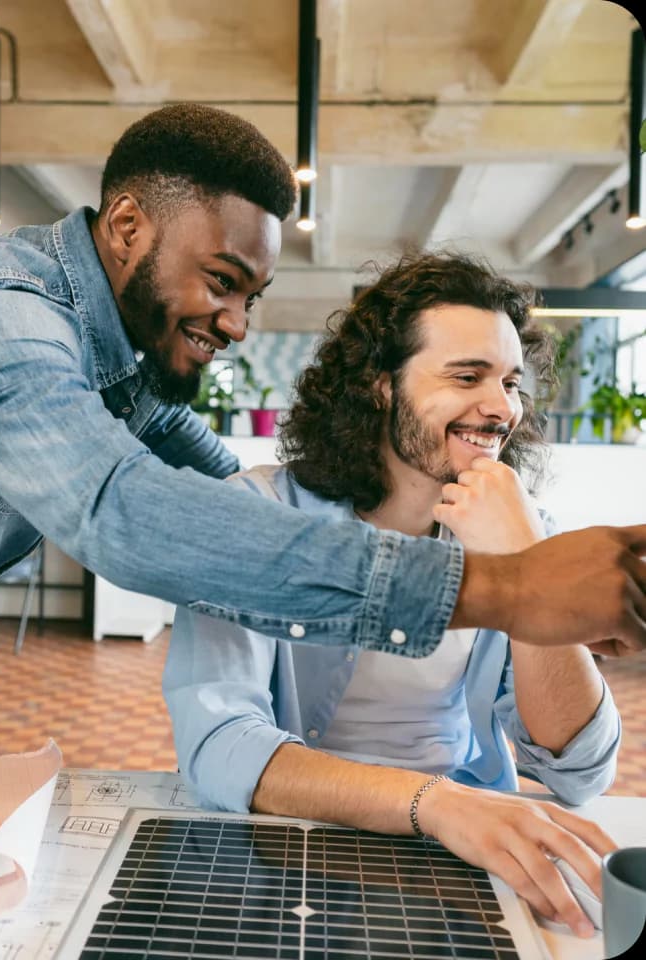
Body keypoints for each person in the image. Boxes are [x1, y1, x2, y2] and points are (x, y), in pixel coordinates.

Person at [0, 104, 644, 760]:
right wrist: (511, 590)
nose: (236, 325)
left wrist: (319, 499)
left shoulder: (112, 353)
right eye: (222, 282)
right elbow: (122, 514)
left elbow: (222, 475)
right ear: (127, 226)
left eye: (251, 298)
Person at [163, 251, 623, 940]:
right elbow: (220, 744)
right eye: (466, 376)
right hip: (294, 850)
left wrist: (528, 565)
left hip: (461, 855)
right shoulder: (256, 514)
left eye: (509, 383)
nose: (501, 409)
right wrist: (432, 804)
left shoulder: (524, 530)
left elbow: (580, 770)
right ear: (380, 385)